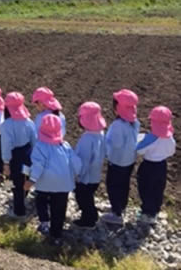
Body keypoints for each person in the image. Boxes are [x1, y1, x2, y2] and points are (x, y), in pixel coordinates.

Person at [25, 114, 81, 245]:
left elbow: (38, 165)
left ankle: (44, 222)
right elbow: (75, 161)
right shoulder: (64, 145)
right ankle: (56, 235)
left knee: (41, 200)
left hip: (46, 182)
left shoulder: (40, 146)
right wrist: (77, 174)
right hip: (64, 183)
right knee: (59, 209)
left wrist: (31, 180)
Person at [101, 89, 140, 226]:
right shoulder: (134, 122)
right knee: (124, 184)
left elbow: (115, 144)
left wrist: (105, 147)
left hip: (117, 162)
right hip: (130, 160)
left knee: (112, 185)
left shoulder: (118, 126)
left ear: (117, 108)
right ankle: (121, 206)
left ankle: (116, 213)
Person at [136, 106, 176, 225]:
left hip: (148, 166)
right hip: (161, 166)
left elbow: (139, 150)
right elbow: (171, 151)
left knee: (145, 189)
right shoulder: (170, 139)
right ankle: (154, 212)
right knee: (158, 189)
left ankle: (146, 212)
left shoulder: (151, 138)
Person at [0, 92, 37, 218]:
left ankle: (18, 211)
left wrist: (6, 162)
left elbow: (6, 145)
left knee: (15, 182)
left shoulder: (6, 125)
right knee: (25, 178)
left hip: (14, 156)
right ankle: (23, 197)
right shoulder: (29, 122)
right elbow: (34, 141)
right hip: (27, 153)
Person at [73, 102, 107, 229]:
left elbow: (84, 160)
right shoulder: (100, 134)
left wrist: (79, 175)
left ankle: (88, 219)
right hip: (95, 175)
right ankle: (91, 215)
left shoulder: (87, 138)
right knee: (88, 196)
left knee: (83, 197)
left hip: (85, 177)